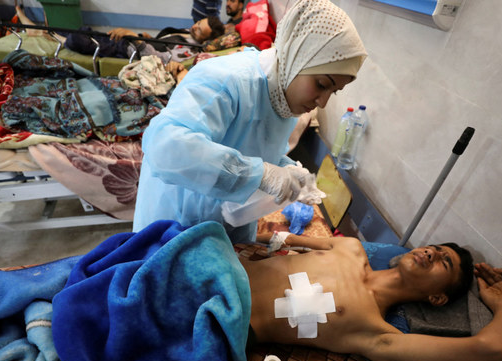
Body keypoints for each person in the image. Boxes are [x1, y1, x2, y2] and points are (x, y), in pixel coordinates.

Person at [133, 0, 368, 243]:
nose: (323, 102)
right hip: (175, 223)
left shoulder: (282, 98)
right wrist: (262, 175)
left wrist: (286, 169)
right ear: (298, 55)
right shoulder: (225, 81)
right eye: (321, 84)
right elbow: (167, 148)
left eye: (333, 92)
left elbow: (253, 148)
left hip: (222, 225)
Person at [243, 232, 502, 361]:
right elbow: (279, 239)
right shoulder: (349, 246)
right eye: (434, 248)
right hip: (223, 267)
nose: (430, 253)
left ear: (437, 298)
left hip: (234, 322)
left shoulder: (377, 334)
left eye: (443, 262)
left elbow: (496, 351)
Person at [105, 16, 226, 63]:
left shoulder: (189, 51)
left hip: (127, 51)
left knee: (87, 41)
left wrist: (137, 40)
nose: (194, 27)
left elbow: (159, 60)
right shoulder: (186, 32)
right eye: (198, 23)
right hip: (129, 43)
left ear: (205, 41)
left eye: (199, 30)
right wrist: (151, 39)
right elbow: (165, 44)